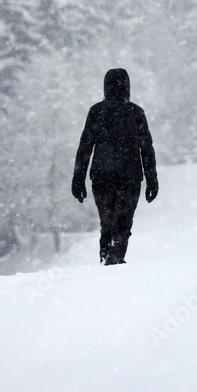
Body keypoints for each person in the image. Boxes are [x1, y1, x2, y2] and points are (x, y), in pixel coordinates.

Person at [72, 68, 158, 265]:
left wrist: (78, 179)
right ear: (127, 87)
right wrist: (152, 181)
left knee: (107, 224)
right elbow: (147, 150)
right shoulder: (136, 112)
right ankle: (114, 258)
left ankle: (106, 260)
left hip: (102, 177)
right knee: (122, 224)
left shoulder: (96, 111)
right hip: (130, 177)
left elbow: (85, 146)